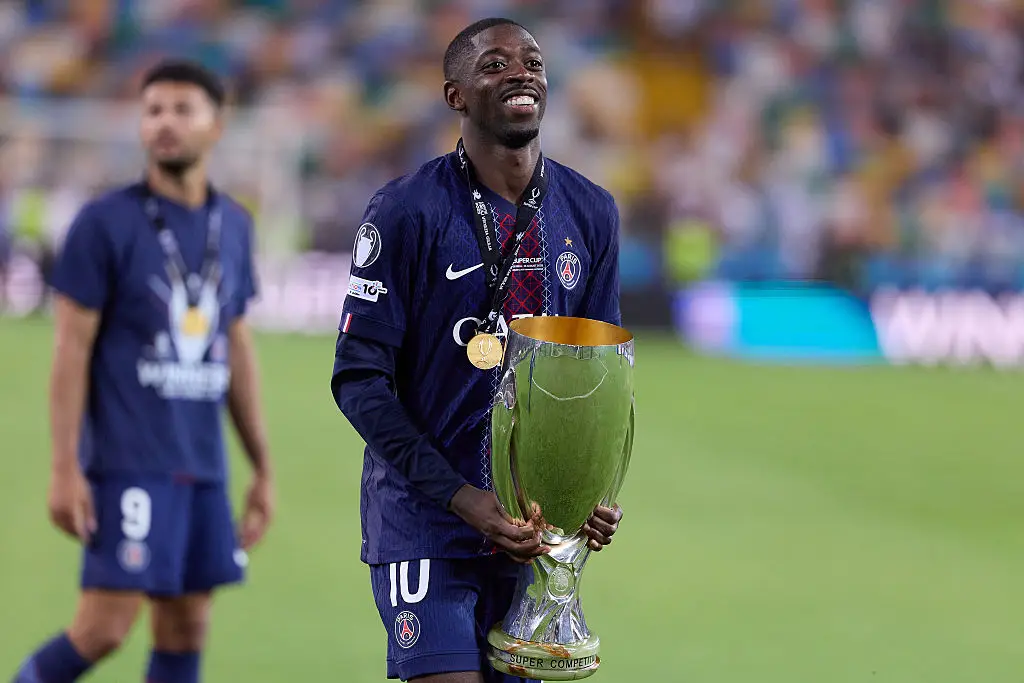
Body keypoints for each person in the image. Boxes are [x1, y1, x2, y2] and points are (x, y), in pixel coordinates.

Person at [331, 18, 624, 683]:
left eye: (533, 62)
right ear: (456, 96)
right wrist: (463, 497)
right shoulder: (405, 212)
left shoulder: (590, 212)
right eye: (494, 65)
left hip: (531, 530)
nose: (520, 72)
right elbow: (358, 381)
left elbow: (597, 385)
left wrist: (592, 496)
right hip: (425, 522)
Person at [11, 59, 275, 683]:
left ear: (217, 125)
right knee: (103, 628)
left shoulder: (233, 225)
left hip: (203, 466)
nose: (165, 123)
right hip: (129, 463)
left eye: (183, 110)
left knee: (187, 627)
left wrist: (261, 467)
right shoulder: (104, 224)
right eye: (153, 110)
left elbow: (236, 346)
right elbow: (70, 351)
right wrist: (63, 467)